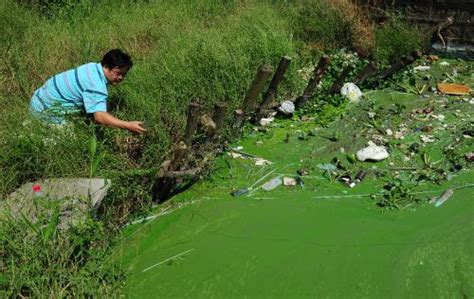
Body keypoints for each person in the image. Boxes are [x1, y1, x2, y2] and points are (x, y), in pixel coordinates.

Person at [29, 49, 146, 134]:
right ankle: (34, 134)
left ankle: (31, 127)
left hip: (38, 100)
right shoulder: (96, 85)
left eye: (124, 75)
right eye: (118, 73)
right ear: (106, 66)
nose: (121, 78)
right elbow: (99, 117)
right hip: (46, 112)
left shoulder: (92, 67)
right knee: (69, 141)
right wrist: (128, 125)